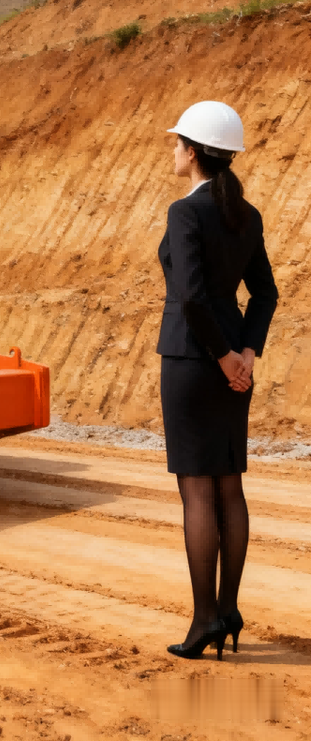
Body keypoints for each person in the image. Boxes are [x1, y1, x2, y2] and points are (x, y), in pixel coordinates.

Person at [157, 100, 278, 660]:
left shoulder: (185, 212)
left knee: (198, 489)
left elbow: (190, 297)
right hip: (232, 367)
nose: (173, 149)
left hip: (191, 360)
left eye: (178, 142)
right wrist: (244, 352)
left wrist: (225, 356)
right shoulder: (246, 214)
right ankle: (227, 610)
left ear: (193, 152)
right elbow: (265, 293)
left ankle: (205, 618)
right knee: (228, 483)